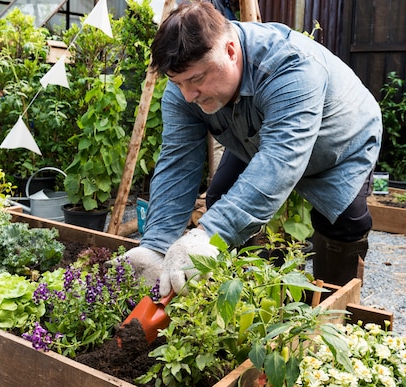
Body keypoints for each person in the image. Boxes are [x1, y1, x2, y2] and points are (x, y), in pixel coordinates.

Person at [118, 2, 382, 296]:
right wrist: (156, 244)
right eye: (178, 83)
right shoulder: (185, 86)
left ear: (230, 51)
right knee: (220, 200)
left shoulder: (291, 67)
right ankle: (237, 299)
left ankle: (334, 311)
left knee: (342, 223)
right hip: (258, 133)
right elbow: (178, 162)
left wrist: (210, 233)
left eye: (196, 79)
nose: (188, 95)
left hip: (339, 138)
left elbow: (280, 161)